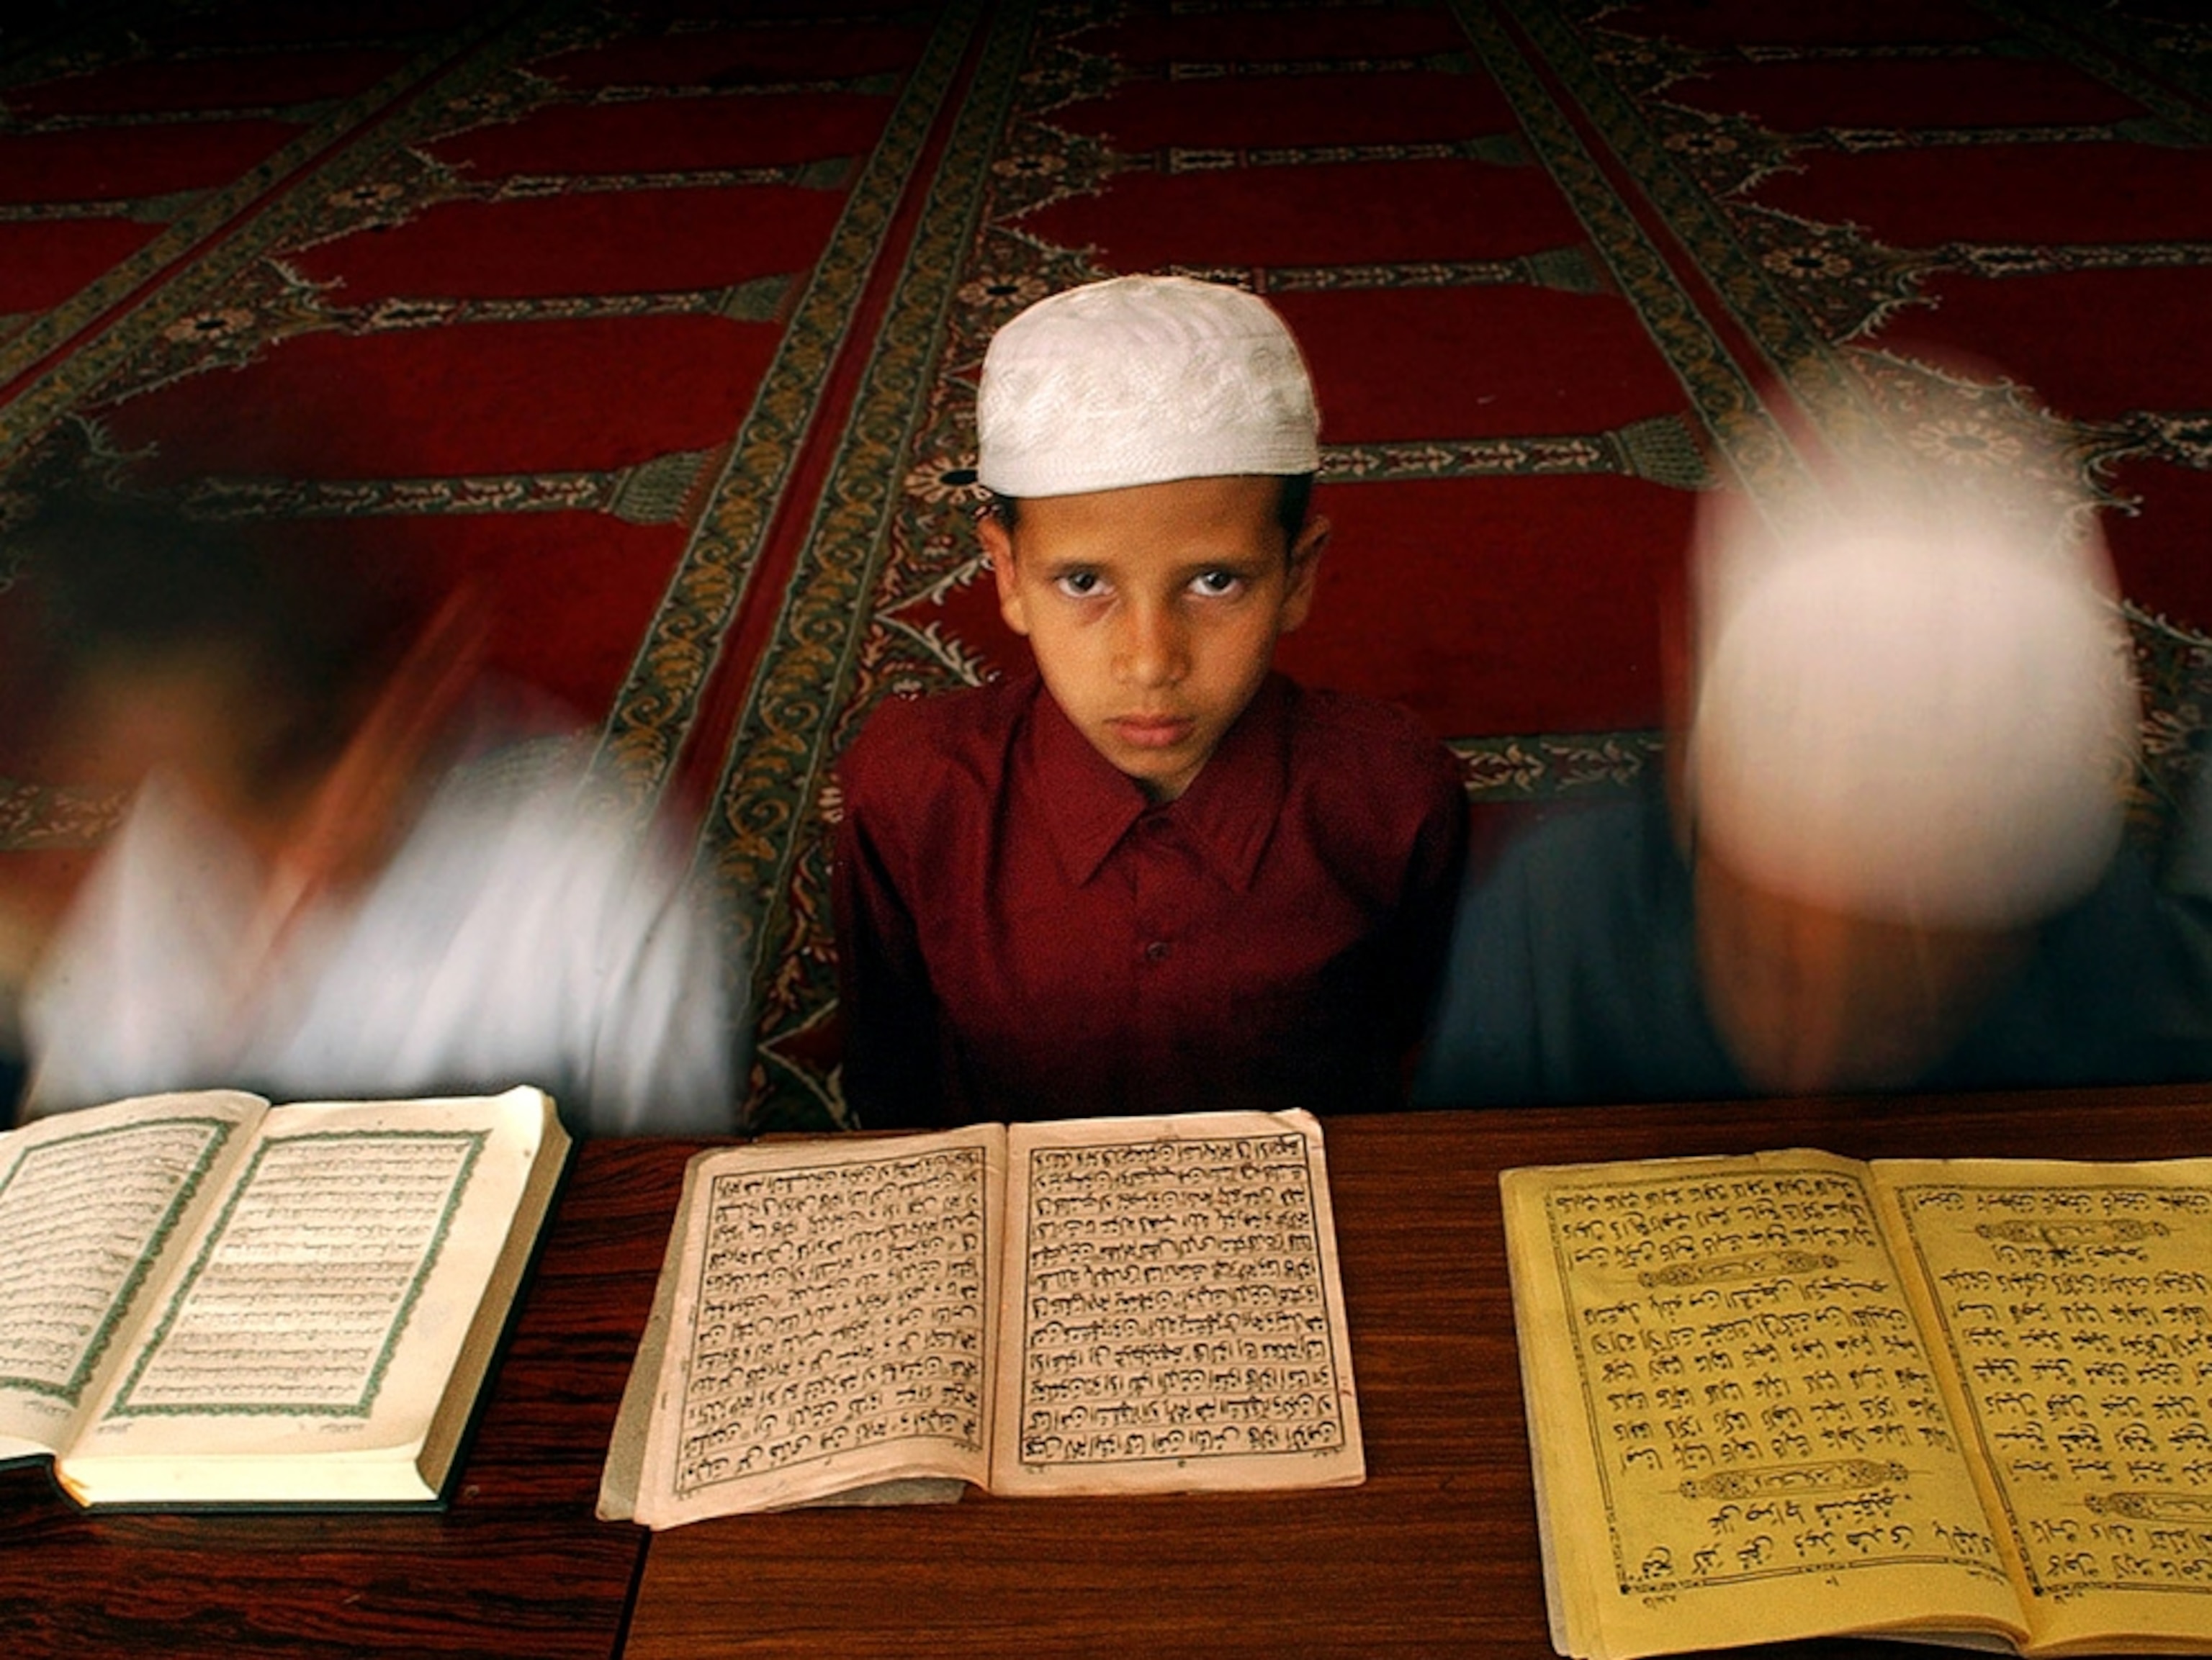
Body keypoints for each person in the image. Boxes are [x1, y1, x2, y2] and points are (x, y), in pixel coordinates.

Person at [834, 274, 1467, 1126]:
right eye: (1085, 580)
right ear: (1009, 573)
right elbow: (889, 1064)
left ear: (1298, 572)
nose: (1150, 661)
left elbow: (1426, 1053)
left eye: (1215, 580)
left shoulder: (1392, 795)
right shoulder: (915, 789)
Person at [1415, 434, 2212, 1106]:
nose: (1818, 1062)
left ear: (2013, 934)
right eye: (1777, 972)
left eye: (1901, 1002)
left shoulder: (2104, 940)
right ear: (1697, 810)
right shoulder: (1555, 927)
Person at [9, 491, 740, 1133]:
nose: (276, 847)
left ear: (423, 680)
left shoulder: (599, 867)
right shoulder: (178, 833)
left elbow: (667, 1188)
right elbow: (77, 1124)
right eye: (209, 798)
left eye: (292, 761)